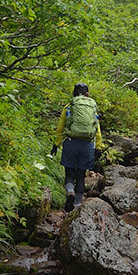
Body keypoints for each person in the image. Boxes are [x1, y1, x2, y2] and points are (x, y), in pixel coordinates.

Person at [50, 83, 102, 212]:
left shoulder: (69, 106)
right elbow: (97, 129)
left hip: (71, 143)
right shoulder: (92, 107)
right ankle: (77, 205)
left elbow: (60, 128)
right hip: (87, 145)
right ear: (87, 93)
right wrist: (99, 147)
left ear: (74, 92)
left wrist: (56, 144)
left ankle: (69, 191)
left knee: (69, 173)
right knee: (80, 176)